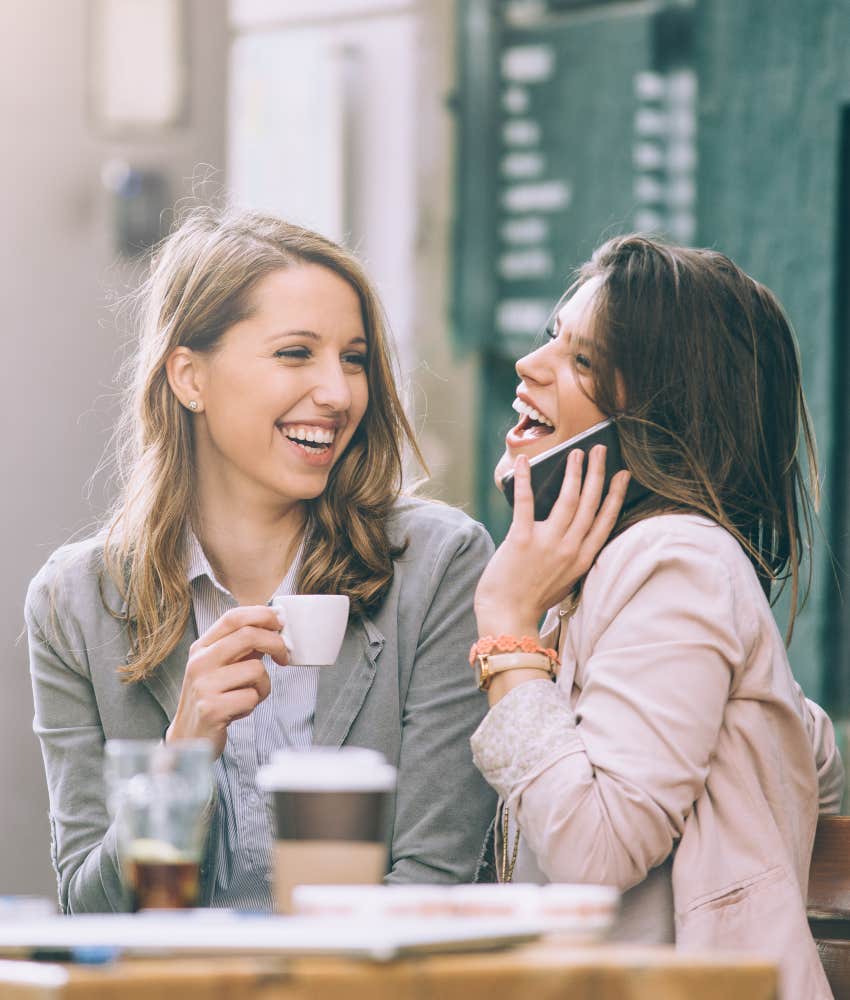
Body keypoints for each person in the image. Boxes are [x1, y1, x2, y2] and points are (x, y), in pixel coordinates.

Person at [26, 206, 496, 914]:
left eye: (355, 358)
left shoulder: (437, 566)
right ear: (189, 377)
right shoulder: (75, 604)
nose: (338, 394)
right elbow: (90, 912)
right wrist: (181, 763)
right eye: (295, 353)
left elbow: (435, 882)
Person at [468, 234, 843, 999]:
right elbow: (809, 746)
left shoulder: (676, 560)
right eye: (553, 337)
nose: (528, 367)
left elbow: (594, 853)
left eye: (581, 361)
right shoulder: (606, 579)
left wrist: (506, 629)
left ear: (657, 422)